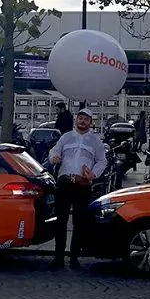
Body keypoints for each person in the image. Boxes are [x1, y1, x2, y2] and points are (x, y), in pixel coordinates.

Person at [48, 108, 108, 270]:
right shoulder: (66, 137)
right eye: (80, 118)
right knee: (60, 221)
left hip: (82, 185)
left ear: (91, 122)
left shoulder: (95, 142)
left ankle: (74, 257)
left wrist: (93, 174)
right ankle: (58, 257)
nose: (83, 121)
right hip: (65, 183)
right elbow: (54, 150)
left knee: (79, 222)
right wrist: (54, 157)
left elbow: (102, 161)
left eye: (86, 119)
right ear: (76, 120)